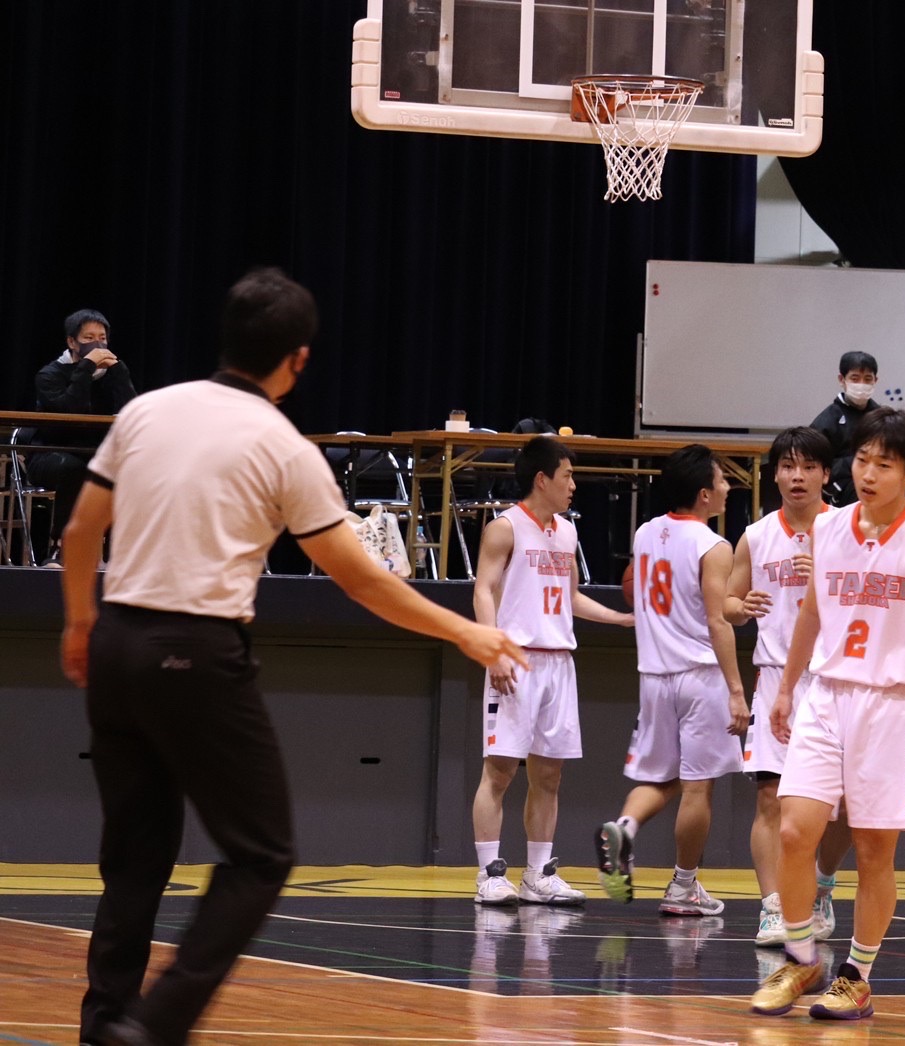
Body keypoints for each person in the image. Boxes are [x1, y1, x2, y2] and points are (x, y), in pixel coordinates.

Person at [59, 268, 525, 1046]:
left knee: (134, 857)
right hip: (197, 650)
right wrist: (464, 632)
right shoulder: (283, 446)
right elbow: (362, 582)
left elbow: (80, 532)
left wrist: (80, 623)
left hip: (116, 646)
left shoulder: (146, 411)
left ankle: (104, 1027)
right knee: (262, 855)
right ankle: (154, 1027)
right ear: (298, 359)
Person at [750, 407, 905, 1021]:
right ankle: (801, 958)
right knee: (794, 830)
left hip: (893, 704)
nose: (868, 474)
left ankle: (857, 977)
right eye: (863, 460)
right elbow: (812, 614)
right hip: (825, 694)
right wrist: (787, 689)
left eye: (884, 464)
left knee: (875, 852)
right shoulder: (828, 528)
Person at [471, 436, 633, 908]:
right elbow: (483, 591)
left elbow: (571, 596)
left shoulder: (566, 532)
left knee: (549, 776)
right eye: (567, 476)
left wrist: (620, 618)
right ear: (542, 479)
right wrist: (493, 650)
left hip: (559, 661)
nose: (573, 485)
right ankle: (488, 874)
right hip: (516, 657)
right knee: (500, 771)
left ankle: (538, 875)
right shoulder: (504, 528)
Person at [595, 444, 748, 916]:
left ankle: (625, 827)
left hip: (654, 676)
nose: (728, 487)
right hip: (700, 676)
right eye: (722, 480)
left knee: (661, 777)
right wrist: (737, 690)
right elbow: (717, 620)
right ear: (704, 494)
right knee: (699, 787)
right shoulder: (713, 545)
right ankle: (683, 887)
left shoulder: (644, 533)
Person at [724, 426, 852, 947]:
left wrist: (829, 573)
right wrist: (741, 606)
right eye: (787, 466)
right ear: (774, 474)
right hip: (777, 678)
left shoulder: (847, 529)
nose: (797, 476)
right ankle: (773, 907)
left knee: (844, 806)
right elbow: (728, 603)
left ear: (825, 474)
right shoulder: (756, 536)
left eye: (808, 467)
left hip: (835, 680)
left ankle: (821, 886)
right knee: (770, 799)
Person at [30, 308, 137, 564]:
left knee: (130, 470)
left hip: (96, 455)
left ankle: (117, 556)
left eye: (102, 338)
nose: (98, 345)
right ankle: (60, 548)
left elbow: (131, 411)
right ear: (72, 342)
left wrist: (120, 372)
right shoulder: (50, 375)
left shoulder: (111, 374)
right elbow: (70, 414)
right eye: (89, 338)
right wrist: (86, 368)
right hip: (51, 454)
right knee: (76, 469)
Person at [808, 351, 905, 531]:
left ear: (875, 381)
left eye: (867, 379)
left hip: (893, 484)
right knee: (879, 522)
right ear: (842, 379)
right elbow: (816, 467)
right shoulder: (826, 420)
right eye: (855, 378)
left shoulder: (883, 416)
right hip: (850, 488)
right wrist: (851, 464)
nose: (861, 384)